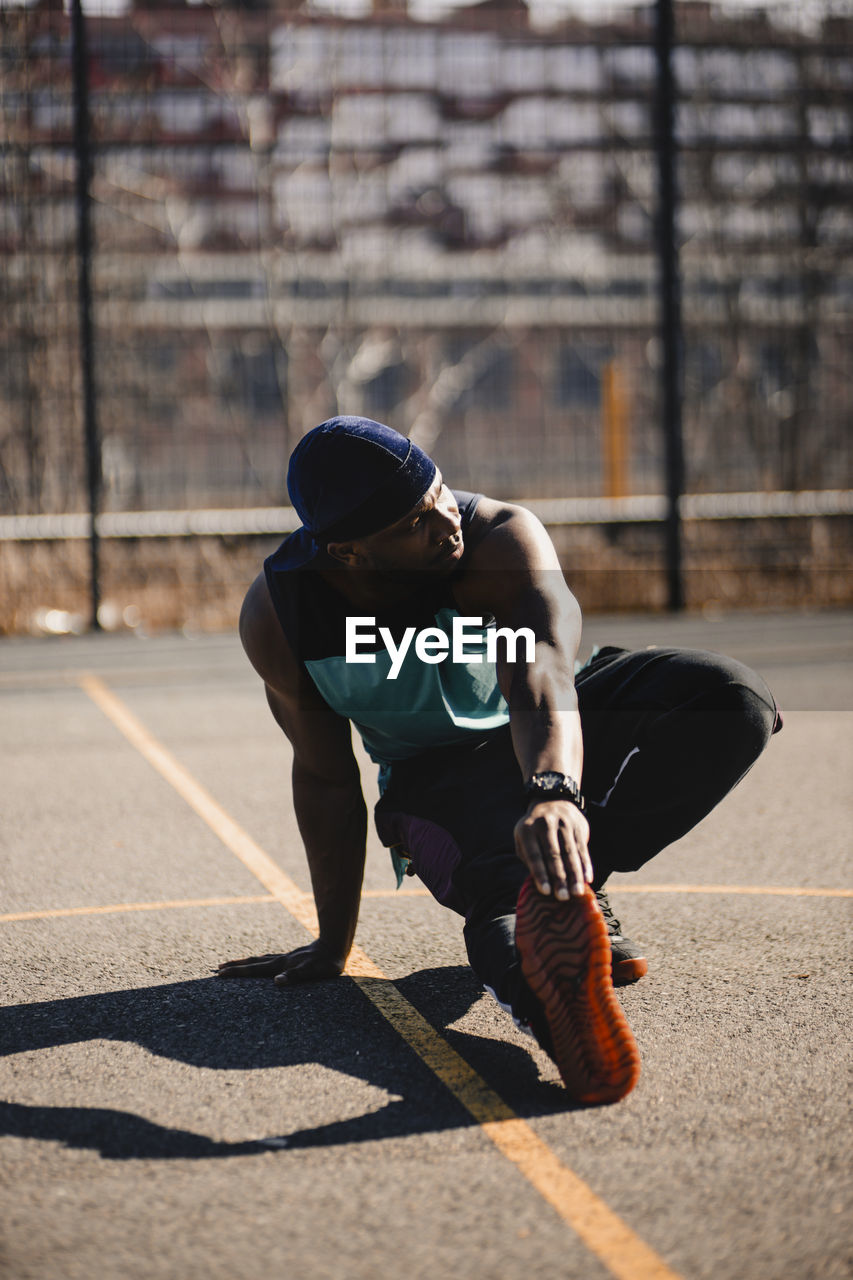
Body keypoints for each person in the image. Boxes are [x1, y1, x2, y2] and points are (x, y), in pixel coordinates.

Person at [219, 416, 781, 1105]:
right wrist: (332, 943)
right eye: (416, 523)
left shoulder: (497, 540)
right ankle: (555, 1005)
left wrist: (551, 791)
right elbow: (326, 777)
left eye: (442, 495)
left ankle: (569, 882)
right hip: (434, 784)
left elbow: (540, 669)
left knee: (729, 697)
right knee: (500, 892)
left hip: (547, 733)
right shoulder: (280, 617)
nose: (446, 523)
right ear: (350, 551)